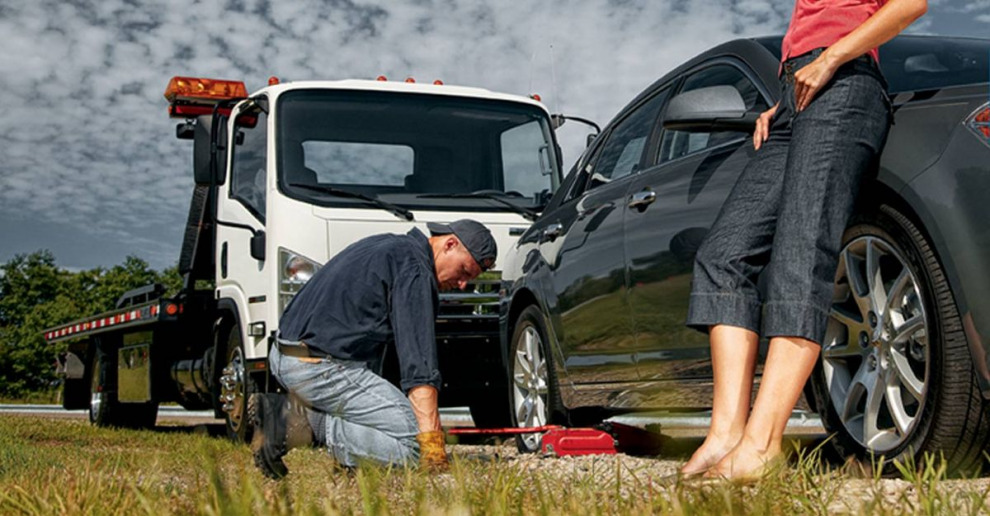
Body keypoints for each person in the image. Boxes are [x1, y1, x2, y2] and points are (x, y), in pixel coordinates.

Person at [681, 0, 927, 481]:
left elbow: (911, 4)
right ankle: (726, 434)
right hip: (797, 96)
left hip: (845, 85)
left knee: (800, 252)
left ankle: (764, 444)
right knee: (722, 256)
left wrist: (831, 58)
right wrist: (784, 100)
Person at [249, 219, 497, 479]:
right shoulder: (415, 271)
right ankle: (297, 422)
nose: (463, 285)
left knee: (396, 423)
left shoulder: (390, 246)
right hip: (318, 368)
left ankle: (351, 456)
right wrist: (433, 448)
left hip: (285, 354)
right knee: (415, 447)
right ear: (449, 244)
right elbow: (419, 370)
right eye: (465, 271)